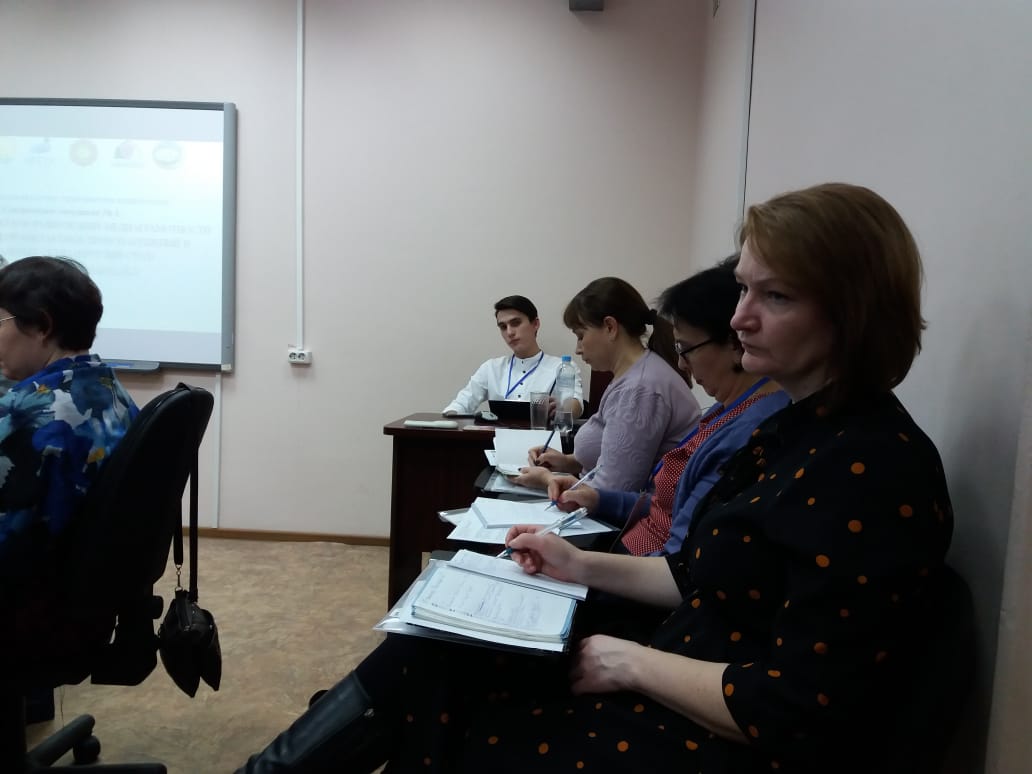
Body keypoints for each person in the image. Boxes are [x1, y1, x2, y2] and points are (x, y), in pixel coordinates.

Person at [236, 183, 953, 774]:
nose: (740, 319)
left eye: (777, 297)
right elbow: (693, 571)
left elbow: (795, 709)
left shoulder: (870, 468)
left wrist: (632, 664)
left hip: (703, 726)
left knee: (438, 688)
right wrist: (575, 562)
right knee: (430, 644)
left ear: (853, 311)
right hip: (674, 661)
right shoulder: (794, 430)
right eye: (743, 290)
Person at [551, 256, 789, 556]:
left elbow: (676, 561)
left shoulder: (751, 428)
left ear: (734, 342)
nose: (681, 364)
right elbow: (662, 505)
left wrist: (577, 563)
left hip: (642, 560)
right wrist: (596, 499)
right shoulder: (723, 411)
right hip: (633, 545)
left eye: (685, 349)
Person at [1, 256, 139, 666]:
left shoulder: (28, 416)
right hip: (78, 605)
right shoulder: (109, 391)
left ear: (42, 326)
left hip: (28, 610)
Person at [513, 276, 701, 493]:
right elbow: (613, 460)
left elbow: (613, 491)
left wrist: (548, 480)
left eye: (581, 336)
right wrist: (567, 462)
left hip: (622, 512)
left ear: (610, 327)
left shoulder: (639, 389)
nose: (578, 349)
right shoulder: (634, 375)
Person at [442, 295, 584, 417]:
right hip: (496, 438)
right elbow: (461, 403)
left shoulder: (563, 367)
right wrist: (450, 417)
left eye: (515, 323)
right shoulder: (491, 368)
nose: (509, 332)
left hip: (543, 439)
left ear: (535, 324)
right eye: (503, 327)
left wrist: (563, 407)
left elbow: (576, 405)